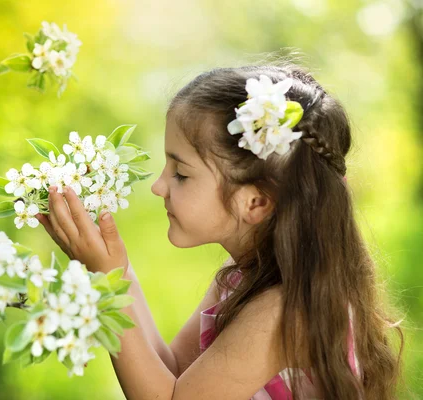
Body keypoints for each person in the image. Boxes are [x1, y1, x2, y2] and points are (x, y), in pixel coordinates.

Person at [35, 63, 405, 399]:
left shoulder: (284, 311)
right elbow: (175, 373)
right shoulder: (244, 275)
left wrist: (106, 281)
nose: (159, 186)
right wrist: (117, 273)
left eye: (180, 174)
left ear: (256, 203)